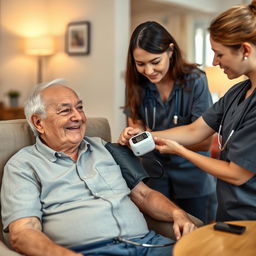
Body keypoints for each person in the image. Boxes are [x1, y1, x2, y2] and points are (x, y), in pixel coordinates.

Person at [1, 79, 197, 256]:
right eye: (65, 110)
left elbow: (144, 195)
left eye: (80, 108)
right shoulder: (23, 165)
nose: (78, 117)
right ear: (38, 122)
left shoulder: (105, 148)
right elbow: (24, 231)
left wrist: (176, 213)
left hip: (148, 245)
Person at [119, 1, 256, 222]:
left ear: (245, 50)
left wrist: (180, 151)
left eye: (218, 54)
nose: (214, 61)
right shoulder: (237, 92)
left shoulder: (196, 81)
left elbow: (238, 173)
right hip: (230, 208)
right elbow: (195, 130)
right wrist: (143, 136)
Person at [123, 21, 216, 223]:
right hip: (154, 177)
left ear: (170, 51)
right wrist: (133, 133)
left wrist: (151, 136)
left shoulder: (195, 81)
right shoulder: (136, 83)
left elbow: (205, 141)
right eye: (140, 64)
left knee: (198, 240)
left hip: (193, 180)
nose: (148, 71)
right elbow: (137, 123)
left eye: (155, 61)